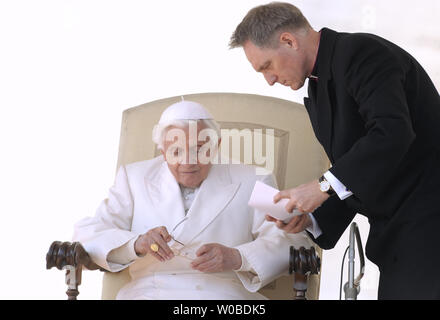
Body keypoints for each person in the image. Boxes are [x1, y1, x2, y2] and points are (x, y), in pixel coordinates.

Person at [230, 2, 440, 299]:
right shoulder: (318, 84)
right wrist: (312, 217)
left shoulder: (362, 54)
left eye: (267, 66)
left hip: (430, 224)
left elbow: (392, 133)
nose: (270, 79)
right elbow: (358, 168)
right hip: (401, 236)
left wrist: (322, 186)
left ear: (288, 41)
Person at [72, 99, 312, 300]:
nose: (189, 161)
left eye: (200, 148)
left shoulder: (253, 179)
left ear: (216, 145)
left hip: (226, 295)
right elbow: (89, 233)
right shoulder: (134, 178)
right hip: (148, 293)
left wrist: (238, 257)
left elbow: (294, 239)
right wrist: (137, 243)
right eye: (176, 151)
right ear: (163, 151)